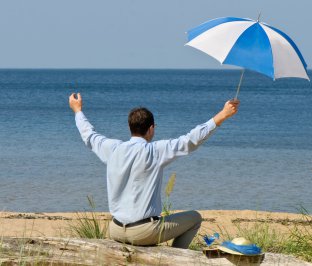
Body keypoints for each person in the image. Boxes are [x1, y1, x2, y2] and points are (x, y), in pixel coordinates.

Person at [69, 92, 240, 249]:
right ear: (151, 128)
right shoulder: (155, 151)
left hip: (116, 229)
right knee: (195, 218)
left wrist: (78, 110)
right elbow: (190, 141)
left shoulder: (113, 149)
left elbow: (89, 135)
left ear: (130, 127)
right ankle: (175, 258)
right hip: (144, 232)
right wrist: (222, 115)